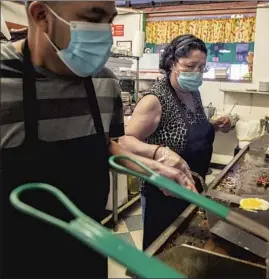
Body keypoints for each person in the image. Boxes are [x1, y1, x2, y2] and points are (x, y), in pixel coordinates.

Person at [0, 2, 194, 278]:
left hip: (87, 245)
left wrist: (155, 170)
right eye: (94, 17)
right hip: (14, 256)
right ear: (41, 15)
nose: (105, 32)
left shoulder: (105, 82)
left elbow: (103, 147)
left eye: (109, 20)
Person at [119, 34, 232, 250]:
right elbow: (124, 141)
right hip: (164, 190)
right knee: (163, 250)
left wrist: (213, 125)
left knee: (185, 249)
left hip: (191, 186)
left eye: (202, 67)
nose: (197, 73)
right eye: (191, 66)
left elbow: (187, 126)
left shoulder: (193, 92)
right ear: (172, 62)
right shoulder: (155, 99)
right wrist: (158, 152)